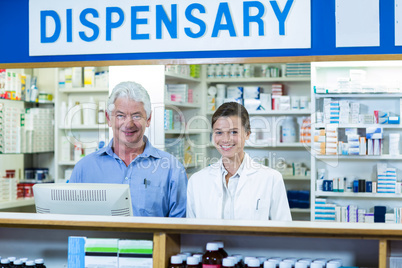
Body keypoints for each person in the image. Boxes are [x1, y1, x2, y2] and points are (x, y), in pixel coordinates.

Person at [69, 81, 187, 217]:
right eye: (120, 116)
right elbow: (71, 222)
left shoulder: (172, 170)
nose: (129, 124)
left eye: (136, 116)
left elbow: (179, 230)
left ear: (148, 119)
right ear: (108, 118)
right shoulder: (84, 168)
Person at [186, 102, 291, 221]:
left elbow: (284, 230)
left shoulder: (271, 179)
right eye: (219, 132)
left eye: (233, 132)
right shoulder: (197, 181)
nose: (225, 139)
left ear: (247, 134)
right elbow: (191, 233)